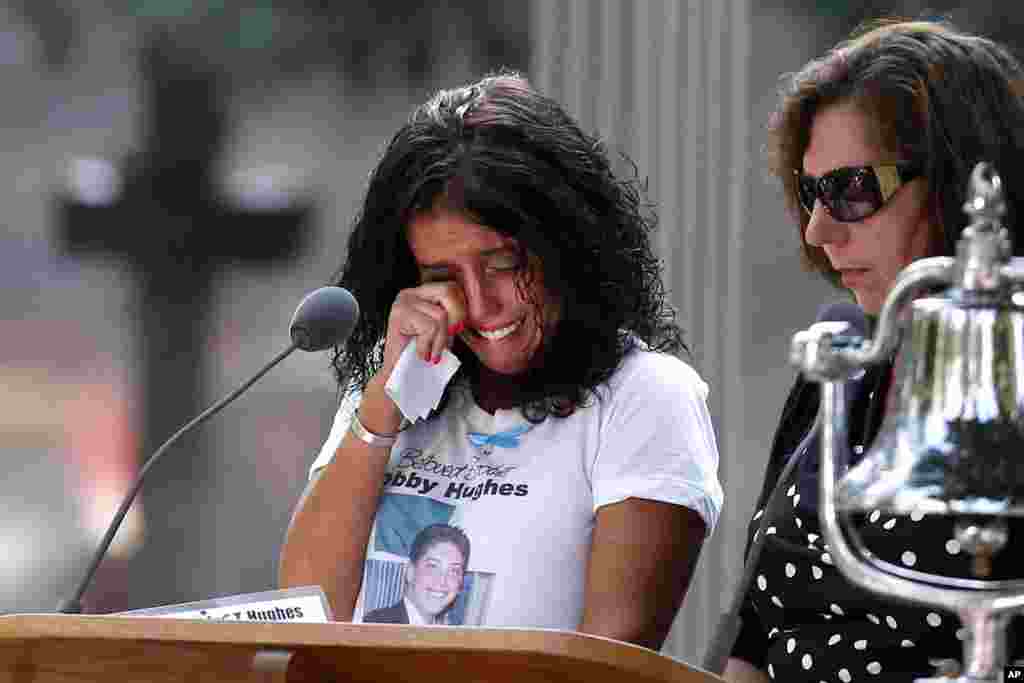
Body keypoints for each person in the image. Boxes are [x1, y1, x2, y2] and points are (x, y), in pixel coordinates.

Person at [278, 72, 723, 650]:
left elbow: (611, 660)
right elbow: (303, 618)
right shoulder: (392, 389)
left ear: (567, 245)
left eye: (504, 263)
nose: (481, 303)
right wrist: (380, 411)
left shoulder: (646, 396)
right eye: (443, 276)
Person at [723, 19, 1024, 682]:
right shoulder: (840, 356)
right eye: (810, 192)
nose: (817, 228)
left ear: (963, 180)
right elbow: (751, 636)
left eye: (854, 189)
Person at [363, 524, 470, 625]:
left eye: (453, 571)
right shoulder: (376, 626)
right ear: (410, 571)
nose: (442, 581)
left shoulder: (448, 638)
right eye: (433, 566)